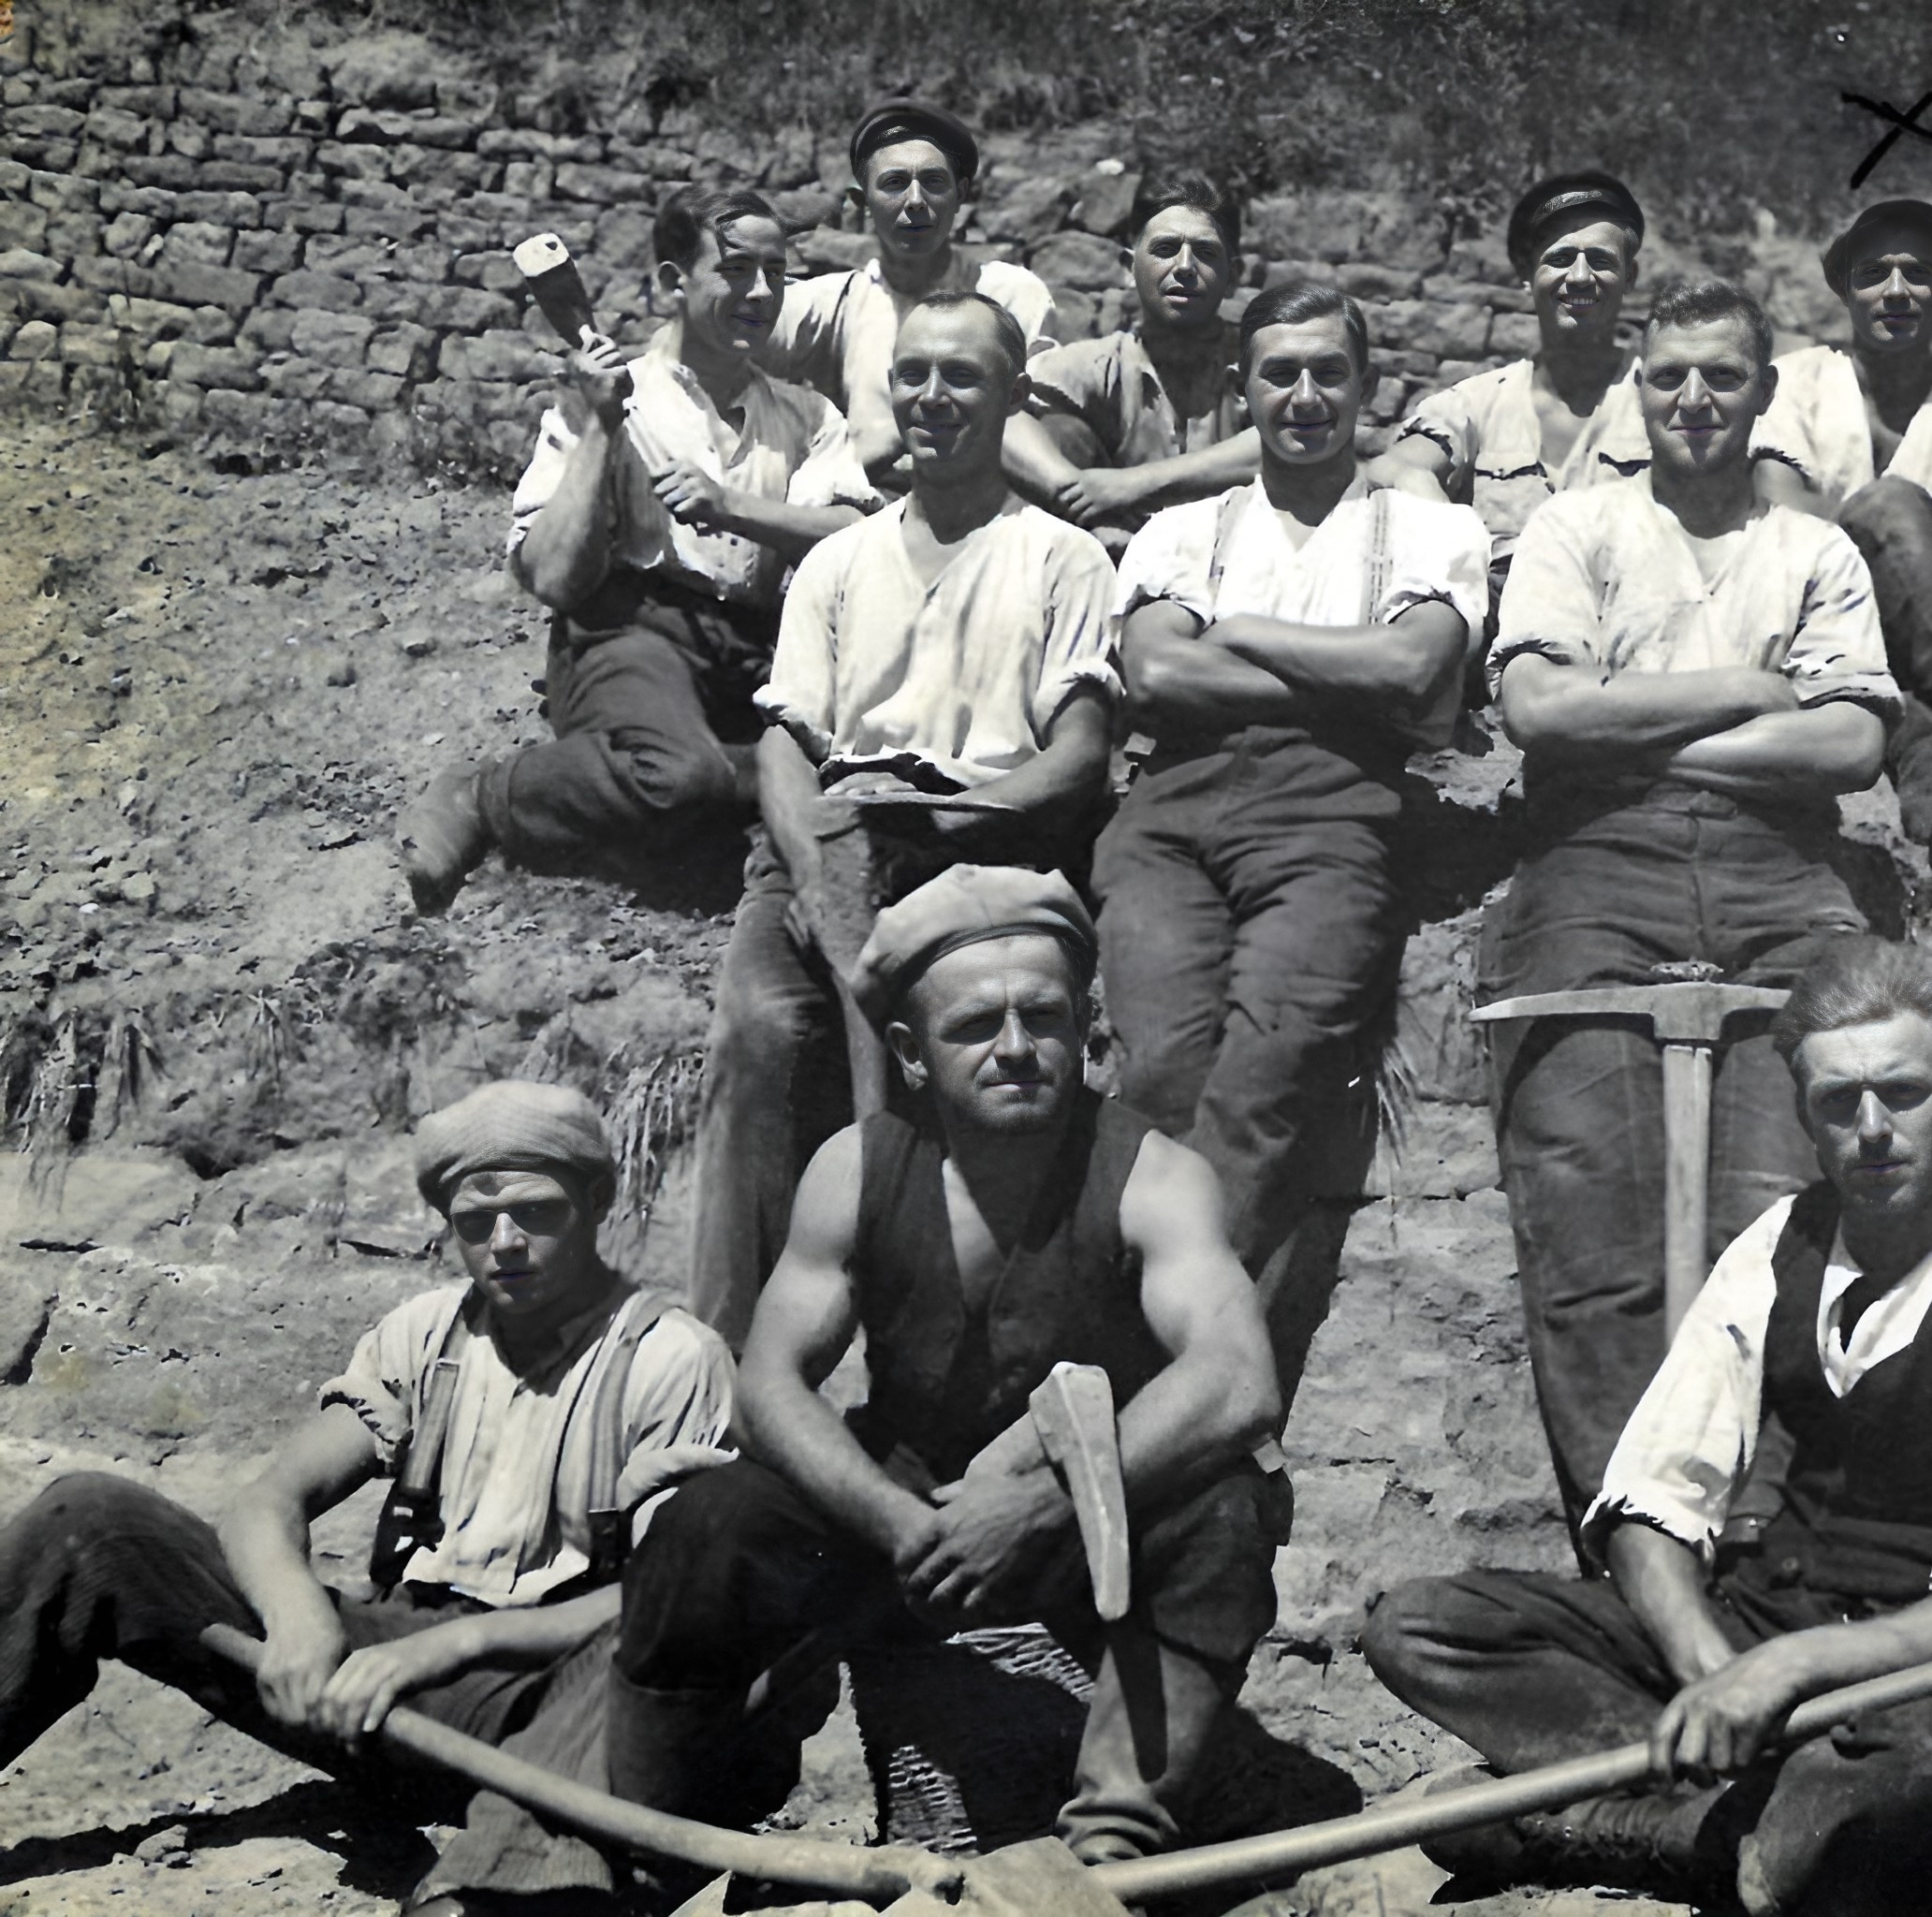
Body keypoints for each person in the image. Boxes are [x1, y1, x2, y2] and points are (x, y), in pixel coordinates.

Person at [1366, 939, 1932, 1913]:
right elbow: (1651, 1497)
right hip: (1765, 1628)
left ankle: (1641, 1819)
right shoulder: (1778, 1246)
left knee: (1917, 1776)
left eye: (1900, 1093)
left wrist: (1781, 1673)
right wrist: (1709, 1667)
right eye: (1836, 1102)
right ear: (1804, 1116)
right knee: (1426, 1626)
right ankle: (1748, 1826)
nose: (1870, 1128)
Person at [612, 866, 1289, 1868]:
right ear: (909, 1050)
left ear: (1084, 1026)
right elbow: (765, 1384)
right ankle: (660, 1827)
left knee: (1227, 1505)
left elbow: (1236, 1378)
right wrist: (900, 1523)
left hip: (1089, 1525)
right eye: (976, 1025)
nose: (1015, 1048)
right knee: (707, 1523)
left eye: (1042, 1016)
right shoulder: (857, 1165)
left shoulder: (1151, 1174)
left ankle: (1110, 1837)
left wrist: (1047, 1499)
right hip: (903, 1512)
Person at [0, 1082, 737, 1917]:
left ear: (598, 1202)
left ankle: (489, 1891)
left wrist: (455, 1650)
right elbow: (270, 1498)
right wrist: (298, 1617)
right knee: (92, 1519)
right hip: (381, 1682)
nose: (505, 1245)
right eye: (473, 1223)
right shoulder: (427, 1335)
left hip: (550, 1707)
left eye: (538, 1213)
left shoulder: (670, 1358)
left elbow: (665, 1605)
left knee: (632, 1662)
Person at [1481, 276, 1900, 1529]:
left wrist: (1638, 731)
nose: (1693, 401)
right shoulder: (1579, 530)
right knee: (1590, 1219)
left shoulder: (1810, 550)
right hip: (1596, 866)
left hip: (1781, 869)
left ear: (1763, 394)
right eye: (1667, 377)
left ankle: (1759, 1537)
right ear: (1636, 389)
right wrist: (1748, 692)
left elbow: (1847, 753)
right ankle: (1638, 1542)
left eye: (1721, 376)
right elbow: (1537, 714)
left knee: (1784, 1225)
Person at [688, 290, 1120, 1350]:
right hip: (833, 833)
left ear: (1013, 396)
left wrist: (955, 817)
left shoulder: (1064, 558)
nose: (933, 398)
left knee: (949, 1074)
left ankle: (940, 1359)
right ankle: (728, 1374)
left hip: (984, 847)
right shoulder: (838, 559)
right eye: (913, 375)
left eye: (962, 376)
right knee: (762, 1032)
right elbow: (789, 743)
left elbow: (1076, 754)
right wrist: (818, 858)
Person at [1090, 281, 1489, 1287]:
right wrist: (1342, 671)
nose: (1304, 396)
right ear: (1242, 389)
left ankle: (1166, 1343)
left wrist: (1247, 631)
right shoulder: (1185, 529)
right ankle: (1194, 1346)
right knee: (1159, 1071)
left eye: (1328, 372)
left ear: (1369, 387)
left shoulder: (1429, 530)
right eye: (1279, 373)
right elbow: (1157, 672)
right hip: (1170, 809)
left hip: (1333, 811)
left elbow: (1412, 671)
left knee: (1269, 1070)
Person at [398, 186, 874, 916]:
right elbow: (554, 578)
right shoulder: (613, 397)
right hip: (630, 633)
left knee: (856, 773)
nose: (760, 292)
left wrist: (730, 505)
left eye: (775, 273)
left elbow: (858, 535)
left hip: (755, 643)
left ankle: (718, 785)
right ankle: (487, 792)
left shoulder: (807, 415)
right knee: (679, 778)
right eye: (736, 269)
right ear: (671, 284)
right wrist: (599, 429)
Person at [1755, 199, 1932, 1116]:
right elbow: (1783, 523)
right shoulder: (1792, 381)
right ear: (1842, 287)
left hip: (1911, 658)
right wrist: (1886, 544)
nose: (1896, 289)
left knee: (1905, 689)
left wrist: (1901, 566)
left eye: (1918, 272)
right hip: (1806, 626)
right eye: (1875, 271)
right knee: (1887, 505)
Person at [1370, 169, 1651, 592]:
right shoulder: (1477, 403)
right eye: (1559, 259)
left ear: (1629, 277)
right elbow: (1390, 467)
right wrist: (1426, 495)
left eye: (1601, 261)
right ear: (1526, 275)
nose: (1579, 277)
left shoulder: (1664, 396)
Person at [761, 97, 1059, 488]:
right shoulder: (837, 302)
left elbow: (1042, 427)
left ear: (960, 194)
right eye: (895, 183)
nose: (916, 202)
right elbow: (712, 348)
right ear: (862, 203)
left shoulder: (1010, 293)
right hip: (864, 509)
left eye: (934, 182)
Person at [1003, 175, 1260, 550]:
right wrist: (1087, 504)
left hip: (1236, 558)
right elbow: (998, 418)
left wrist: (1130, 485)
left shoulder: (1263, 361)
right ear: (1129, 267)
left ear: (1233, 276)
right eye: (1166, 249)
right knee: (1059, 431)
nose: (1185, 266)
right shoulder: (1097, 363)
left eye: (1205, 253)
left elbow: (1290, 444)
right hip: (1113, 554)